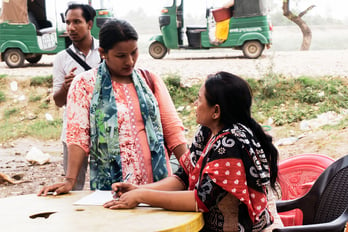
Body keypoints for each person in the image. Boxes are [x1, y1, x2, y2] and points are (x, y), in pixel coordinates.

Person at [103, 72, 283, 231]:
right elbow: (182, 177)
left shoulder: (230, 143)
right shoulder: (207, 131)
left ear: (216, 111)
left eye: (199, 99)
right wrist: (139, 189)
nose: (195, 104)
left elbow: (201, 200)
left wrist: (143, 196)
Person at [38, 19, 187, 195]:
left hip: (156, 185)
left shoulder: (150, 80)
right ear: (103, 53)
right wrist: (70, 180)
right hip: (112, 187)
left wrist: (191, 169)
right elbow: (78, 136)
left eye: (134, 52)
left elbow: (172, 130)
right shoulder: (85, 84)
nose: (130, 61)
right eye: (121, 55)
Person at [52, 3, 100, 190]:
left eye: (77, 22)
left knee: (107, 186)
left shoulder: (105, 52)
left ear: (89, 24)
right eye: (68, 22)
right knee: (72, 186)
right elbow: (58, 101)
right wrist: (66, 87)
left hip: (103, 131)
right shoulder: (61, 59)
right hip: (73, 131)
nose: (71, 27)